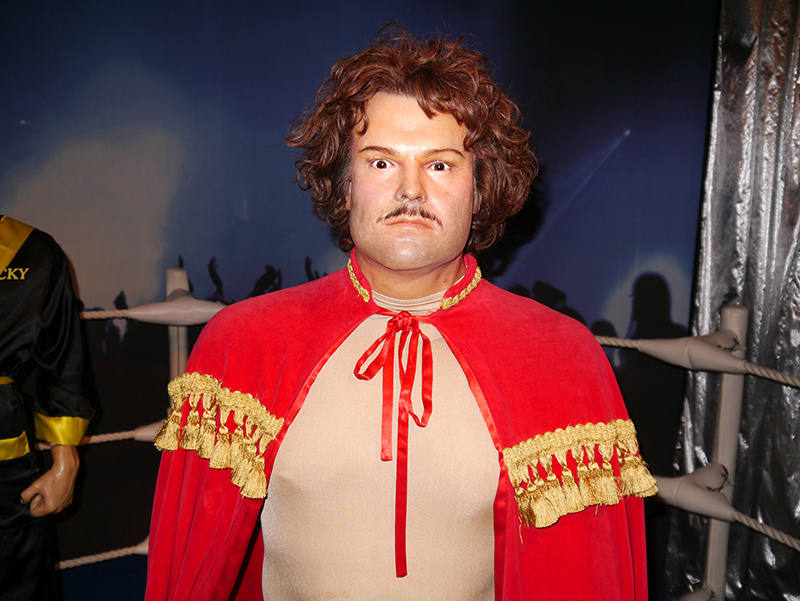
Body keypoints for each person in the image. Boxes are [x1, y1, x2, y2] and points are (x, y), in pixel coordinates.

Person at [146, 29, 655, 601]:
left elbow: (590, 577)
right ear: (344, 186)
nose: (410, 190)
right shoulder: (242, 344)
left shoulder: (562, 359)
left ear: (479, 189)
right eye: (382, 162)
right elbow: (189, 574)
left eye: (440, 166)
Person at [0, 215, 94, 600]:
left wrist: (65, 457)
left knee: (18, 582)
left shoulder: (32, 250)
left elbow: (62, 358)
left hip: (5, 463)